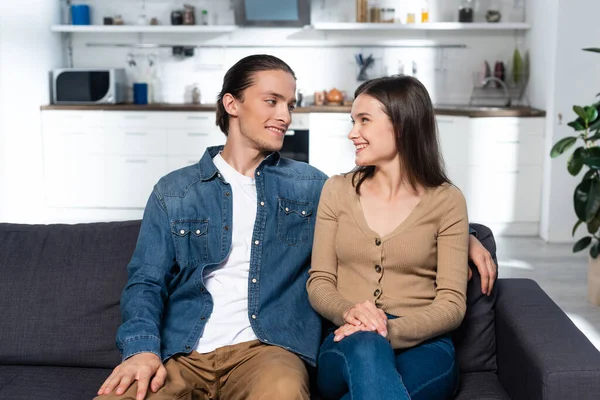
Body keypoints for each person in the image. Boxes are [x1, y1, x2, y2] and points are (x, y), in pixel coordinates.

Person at [96, 54, 328, 400]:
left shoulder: (312, 186)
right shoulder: (175, 191)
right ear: (232, 104)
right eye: (272, 101)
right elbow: (145, 282)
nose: (285, 116)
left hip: (268, 352)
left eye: (289, 105)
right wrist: (142, 349)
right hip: (181, 354)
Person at [307, 75, 475, 400]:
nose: (352, 132)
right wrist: (351, 315)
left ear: (401, 124)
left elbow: (452, 304)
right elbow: (320, 281)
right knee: (367, 348)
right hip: (348, 337)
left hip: (426, 346)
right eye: (353, 121)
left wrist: (387, 329)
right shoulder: (336, 191)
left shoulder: (447, 201)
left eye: (364, 121)